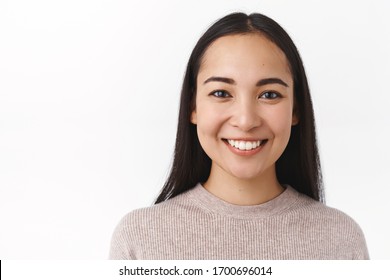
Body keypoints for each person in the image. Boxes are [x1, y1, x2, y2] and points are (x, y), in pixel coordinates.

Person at [109, 12, 369, 259]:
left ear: (296, 110)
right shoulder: (139, 240)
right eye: (221, 93)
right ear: (193, 106)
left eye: (269, 94)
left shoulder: (341, 241)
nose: (245, 121)